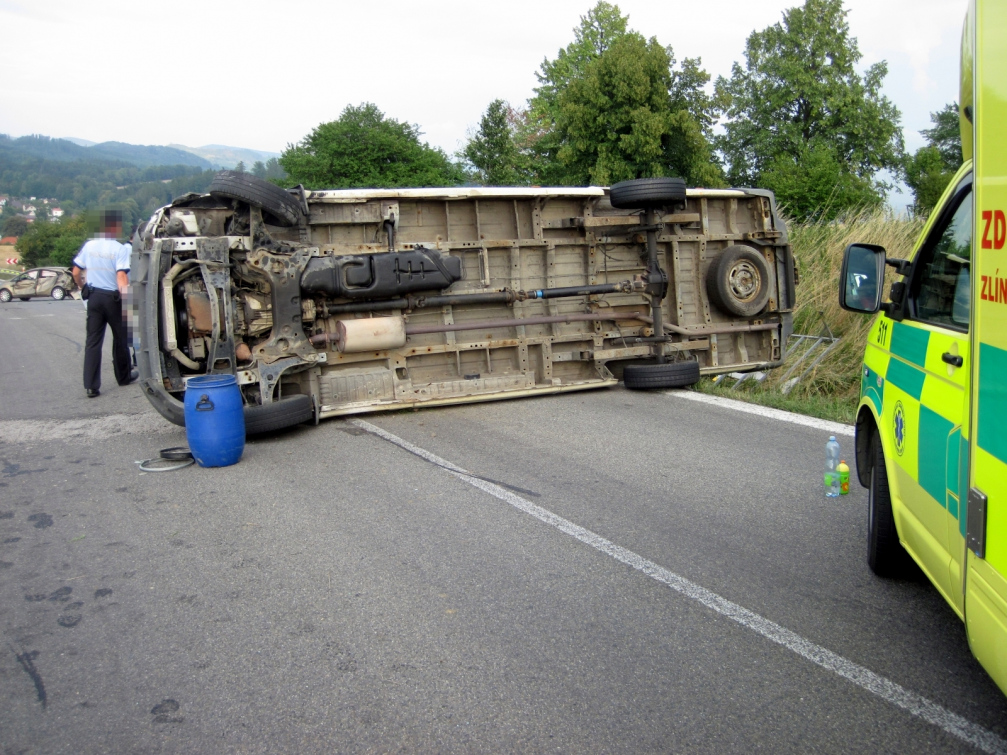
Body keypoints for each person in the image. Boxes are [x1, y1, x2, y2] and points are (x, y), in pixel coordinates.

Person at [72, 209, 137, 398]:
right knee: (120, 338)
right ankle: (123, 376)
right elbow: (121, 277)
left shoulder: (89, 246)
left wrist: (82, 287)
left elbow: (76, 271)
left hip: (93, 297)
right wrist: (128, 301)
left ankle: (91, 386)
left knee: (93, 341)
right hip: (112, 298)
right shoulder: (119, 249)